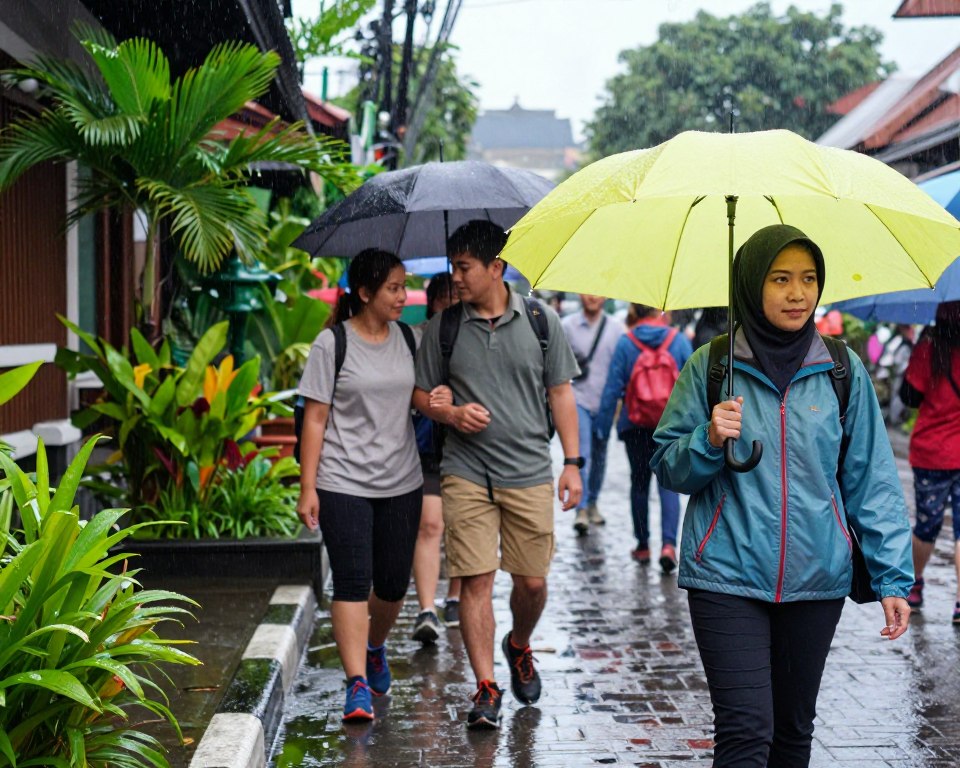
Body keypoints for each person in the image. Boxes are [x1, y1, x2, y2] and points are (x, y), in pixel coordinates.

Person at [650, 224, 913, 768]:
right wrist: (707, 439)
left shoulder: (842, 370)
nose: (798, 293)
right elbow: (668, 467)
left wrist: (891, 577)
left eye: (809, 279)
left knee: (793, 733)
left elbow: (872, 481)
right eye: (780, 279)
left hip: (816, 578)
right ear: (750, 284)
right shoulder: (711, 368)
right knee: (746, 731)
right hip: (725, 574)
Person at [412, 220, 582, 730]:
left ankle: (519, 643)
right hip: (466, 472)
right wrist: (448, 414)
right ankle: (485, 687)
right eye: (453, 267)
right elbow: (421, 395)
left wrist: (572, 463)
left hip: (529, 469)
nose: (456, 278)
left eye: (463, 268)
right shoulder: (443, 328)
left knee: (531, 581)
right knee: (475, 581)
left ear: (495, 267)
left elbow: (561, 394)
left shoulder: (539, 319)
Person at [296, 249, 447, 722]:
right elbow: (315, 420)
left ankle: (376, 646)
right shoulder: (332, 344)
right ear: (365, 293)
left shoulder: (408, 337)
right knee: (352, 582)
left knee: (392, 584)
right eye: (394, 288)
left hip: (401, 480)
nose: (404, 296)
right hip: (342, 480)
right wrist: (308, 487)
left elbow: (421, 396)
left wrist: (436, 399)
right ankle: (356, 683)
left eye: (405, 286)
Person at [595, 304, 692, 572]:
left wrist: (602, 428)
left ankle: (642, 545)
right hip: (670, 427)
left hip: (634, 425)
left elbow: (613, 387)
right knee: (668, 484)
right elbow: (695, 386)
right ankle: (669, 545)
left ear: (635, 310)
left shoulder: (627, 343)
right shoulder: (679, 340)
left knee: (639, 483)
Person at [899, 301, 960, 623]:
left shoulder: (930, 347)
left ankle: (916, 585)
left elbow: (908, 397)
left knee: (927, 525)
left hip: (932, 452)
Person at [411, 272, 463, 643]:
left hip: (467, 447)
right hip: (428, 443)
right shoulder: (417, 336)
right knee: (430, 524)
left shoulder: (475, 333)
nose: (449, 301)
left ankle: (456, 597)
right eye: (442, 295)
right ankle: (426, 608)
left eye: (453, 294)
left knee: (461, 524)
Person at [561, 294, 624, 534]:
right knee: (583, 454)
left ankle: (594, 500)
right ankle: (582, 508)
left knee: (600, 454)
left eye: (596, 292)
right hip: (578, 400)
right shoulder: (567, 326)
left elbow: (620, 368)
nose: (591, 297)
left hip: (606, 403)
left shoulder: (617, 329)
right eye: (586, 291)